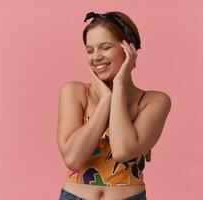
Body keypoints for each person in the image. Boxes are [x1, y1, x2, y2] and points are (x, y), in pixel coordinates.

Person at [57, 11, 171, 200]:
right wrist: (105, 100)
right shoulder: (75, 92)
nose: (96, 57)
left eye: (105, 47)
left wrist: (118, 87)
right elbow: (73, 159)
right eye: (89, 50)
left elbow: (121, 150)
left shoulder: (154, 101)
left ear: (129, 49)